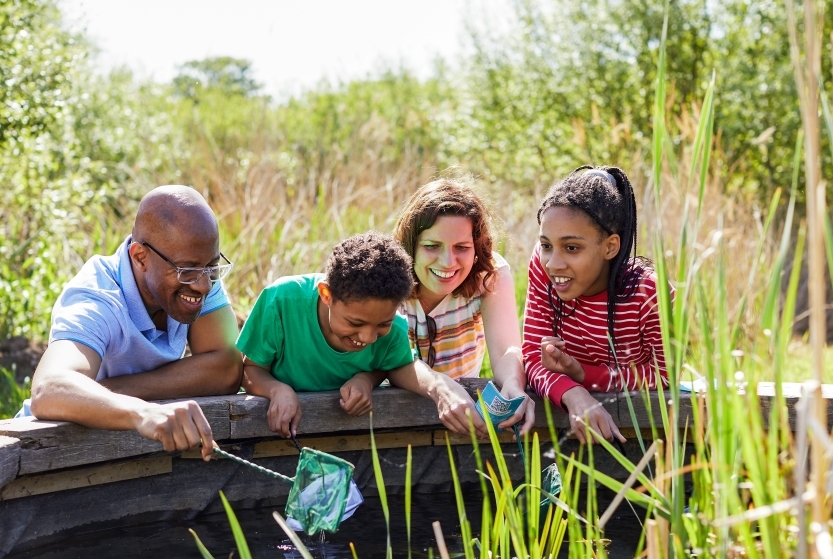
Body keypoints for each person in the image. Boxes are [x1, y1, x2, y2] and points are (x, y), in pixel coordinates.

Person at [26, 185, 244, 460]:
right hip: (50, 452)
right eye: (187, 270)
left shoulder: (198, 273)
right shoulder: (98, 298)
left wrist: (112, 392)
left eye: (212, 267)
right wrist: (141, 412)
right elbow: (49, 388)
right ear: (140, 257)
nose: (203, 285)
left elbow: (226, 368)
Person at [237, 231, 488, 439]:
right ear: (327, 295)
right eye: (354, 322)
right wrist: (276, 390)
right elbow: (249, 371)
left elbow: (397, 366)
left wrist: (366, 380)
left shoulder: (395, 328)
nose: (368, 337)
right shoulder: (282, 302)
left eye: (382, 325)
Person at [522, 166, 668, 444]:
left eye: (572, 248)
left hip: (640, 440)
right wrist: (573, 393)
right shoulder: (542, 269)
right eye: (546, 245)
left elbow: (663, 376)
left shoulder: (649, 293)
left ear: (610, 247)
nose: (553, 263)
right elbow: (531, 355)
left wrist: (583, 375)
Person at [393, 179, 534, 435]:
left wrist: (513, 384)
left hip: (464, 424)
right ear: (411, 245)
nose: (448, 262)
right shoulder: (389, 276)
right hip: (394, 419)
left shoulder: (489, 275)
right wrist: (440, 387)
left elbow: (505, 349)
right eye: (432, 246)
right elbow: (393, 361)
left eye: (462, 247)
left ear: (477, 248)